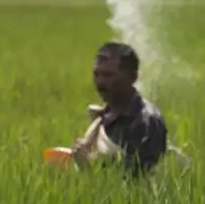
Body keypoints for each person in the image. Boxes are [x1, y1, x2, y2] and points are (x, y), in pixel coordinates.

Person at [72, 41, 169, 178]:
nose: (100, 83)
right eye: (97, 74)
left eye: (108, 75)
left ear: (133, 78)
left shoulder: (146, 121)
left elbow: (140, 174)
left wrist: (90, 164)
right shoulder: (103, 116)